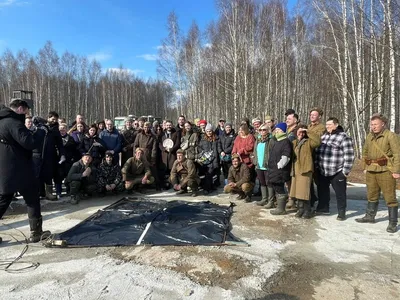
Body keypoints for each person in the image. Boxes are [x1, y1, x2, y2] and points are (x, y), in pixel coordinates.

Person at [0, 99, 51, 243]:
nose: (28, 114)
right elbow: (29, 143)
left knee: (4, 200)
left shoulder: (3, 121)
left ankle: (36, 232)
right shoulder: (13, 123)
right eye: (27, 110)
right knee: (32, 199)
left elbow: (18, 140)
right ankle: (36, 232)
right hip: (18, 169)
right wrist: (41, 131)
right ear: (21, 108)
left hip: (7, 169)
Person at [356, 114, 400, 233]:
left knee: (390, 197)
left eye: (375, 124)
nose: (373, 127)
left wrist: (396, 171)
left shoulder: (391, 136)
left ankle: (393, 223)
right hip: (371, 170)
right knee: (371, 195)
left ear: (383, 124)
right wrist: (364, 166)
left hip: (385, 170)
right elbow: (365, 151)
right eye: (372, 124)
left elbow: (397, 154)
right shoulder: (370, 136)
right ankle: (370, 216)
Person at [315, 117, 355, 220]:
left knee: (340, 193)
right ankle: (323, 208)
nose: (327, 126)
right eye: (326, 125)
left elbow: (349, 155)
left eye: (330, 124)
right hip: (323, 170)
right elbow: (318, 152)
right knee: (322, 191)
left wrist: (345, 172)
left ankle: (341, 212)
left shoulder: (343, 137)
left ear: (336, 125)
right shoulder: (324, 137)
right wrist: (317, 166)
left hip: (337, 171)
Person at [289, 125, 321, 218]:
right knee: (297, 191)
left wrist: (308, 131)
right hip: (296, 169)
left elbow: (318, 142)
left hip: (305, 169)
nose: (301, 134)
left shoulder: (308, 142)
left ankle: (307, 210)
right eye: (299, 131)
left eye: (303, 132)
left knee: (304, 191)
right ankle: (300, 209)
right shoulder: (294, 142)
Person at [269, 122, 293, 215]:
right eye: (276, 130)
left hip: (280, 170)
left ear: (283, 130)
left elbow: (286, 155)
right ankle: (279, 206)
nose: (276, 131)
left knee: (279, 188)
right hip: (273, 169)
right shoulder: (277, 141)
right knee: (276, 186)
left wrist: (280, 165)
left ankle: (281, 209)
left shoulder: (286, 141)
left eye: (279, 130)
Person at [307, 107, 325, 210]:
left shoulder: (321, 127)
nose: (312, 116)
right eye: (311, 115)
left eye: (314, 115)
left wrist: (307, 132)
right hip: (309, 155)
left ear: (319, 117)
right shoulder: (309, 126)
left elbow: (318, 138)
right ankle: (311, 199)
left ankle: (322, 204)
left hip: (318, 156)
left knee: (319, 182)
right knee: (308, 181)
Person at [253, 124, 275, 208]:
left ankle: (271, 201)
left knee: (269, 183)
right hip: (259, 165)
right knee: (262, 182)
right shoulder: (258, 140)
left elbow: (273, 152)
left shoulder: (271, 140)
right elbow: (255, 151)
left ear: (268, 130)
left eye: (264, 130)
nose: (262, 131)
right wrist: (254, 160)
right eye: (260, 130)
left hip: (267, 165)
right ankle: (264, 199)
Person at [197, 123, 219, 194]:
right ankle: (207, 188)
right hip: (206, 159)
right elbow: (199, 148)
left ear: (212, 131)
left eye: (210, 131)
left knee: (212, 174)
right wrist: (202, 154)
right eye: (207, 131)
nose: (209, 133)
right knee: (208, 174)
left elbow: (218, 149)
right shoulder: (203, 139)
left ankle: (210, 187)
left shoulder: (216, 138)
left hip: (214, 159)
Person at [160, 120, 180, 188]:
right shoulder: (162, 133)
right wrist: (163, 149)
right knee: (165, 170)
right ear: (165, 126)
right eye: (167, 125)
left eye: (170, 125)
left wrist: (172, 149)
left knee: (172, 169)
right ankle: (165, 184)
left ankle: (173, 183)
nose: (169, 126)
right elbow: (159, 143)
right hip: (164, 154)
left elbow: (177, 143)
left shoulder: (176, 133)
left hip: (172, 154)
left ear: (172, 125)